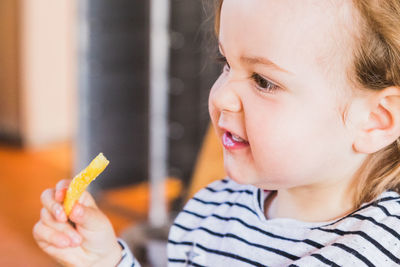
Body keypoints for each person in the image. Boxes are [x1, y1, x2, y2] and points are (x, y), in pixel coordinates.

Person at [33, 0, 400, 266]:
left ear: (376, 120)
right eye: (226, 63)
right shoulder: (213, 206)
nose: (221, 95)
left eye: (263, 81)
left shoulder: (375, 250)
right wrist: (106, 260)